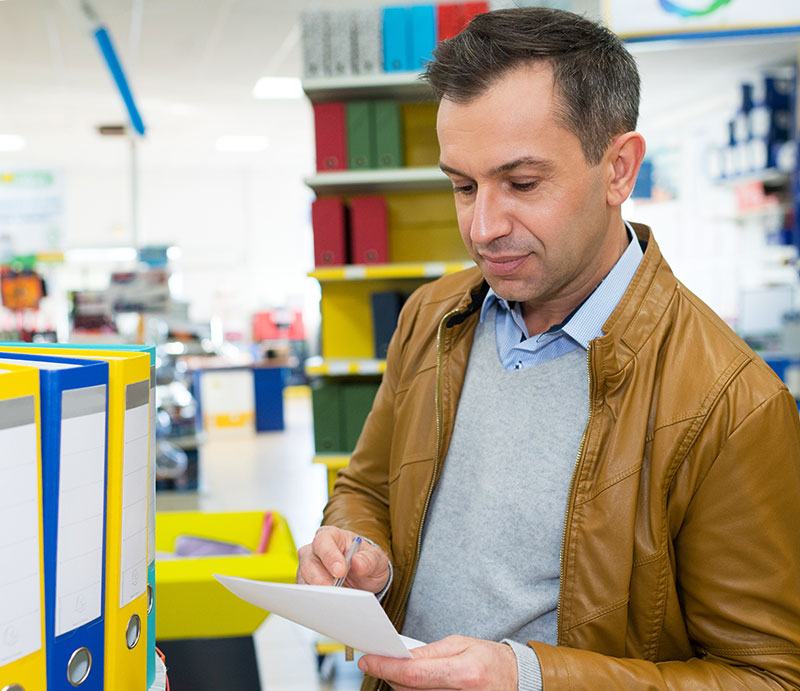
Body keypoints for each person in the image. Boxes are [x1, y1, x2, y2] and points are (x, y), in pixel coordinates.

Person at [297, 7, 800, 690]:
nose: (482, 227)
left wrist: (532, 675)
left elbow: (768, 675)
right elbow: (367, 484)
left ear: (618, 169)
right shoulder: (434, 315)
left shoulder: (731, 403)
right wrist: (359, 549)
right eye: (463, 185)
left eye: (523, 184)